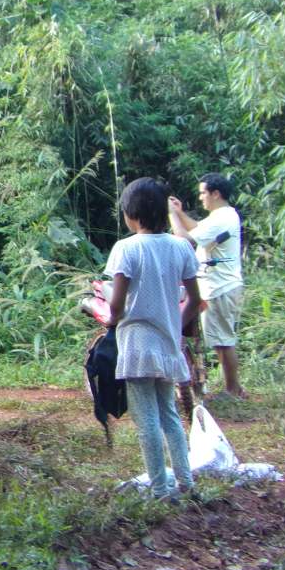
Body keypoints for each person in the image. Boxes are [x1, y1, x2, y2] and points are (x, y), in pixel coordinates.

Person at [106, 177, 202, 501]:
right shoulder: (181, 247)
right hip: (168, 344)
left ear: (131, 214)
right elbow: (194, 299)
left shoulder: (125, 248)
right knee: (170, 415)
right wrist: (175, 326)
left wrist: (109, 318)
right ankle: (186, 482)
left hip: (136, 343)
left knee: (146, 420)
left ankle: (160, 489)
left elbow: (117, 305)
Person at [168, 172, 246, 398]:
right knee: (221, 338)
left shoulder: (222, 217)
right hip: (218, 285)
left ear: (216, 193)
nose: (201, 197)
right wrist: (180, 213)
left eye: (203, 193)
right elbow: (196, 229)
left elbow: (184, 239)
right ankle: (234, 388)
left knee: (223, 340)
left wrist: (172, 215)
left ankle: (233, 390)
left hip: (219, 287)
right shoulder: (222, 216)